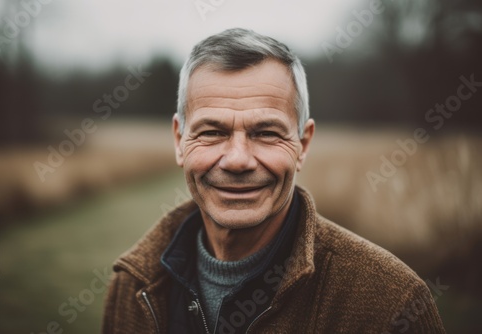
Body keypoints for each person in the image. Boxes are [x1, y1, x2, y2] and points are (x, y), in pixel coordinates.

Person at [102, 28, 446, 334]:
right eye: (212, 132)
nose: (238, 160)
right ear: (179, 141)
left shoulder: (390, 303)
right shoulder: (133, 285)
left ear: (302, 144)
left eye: (266, 133)